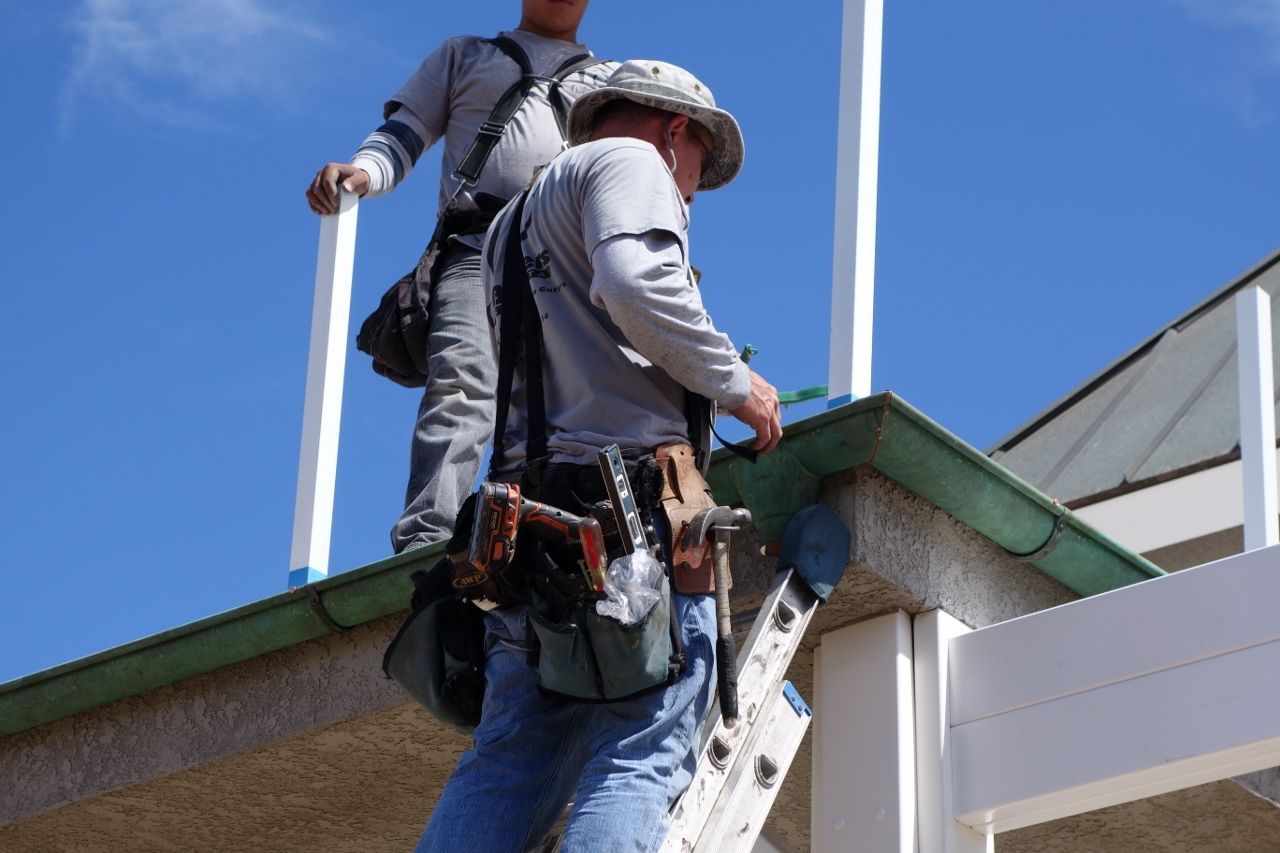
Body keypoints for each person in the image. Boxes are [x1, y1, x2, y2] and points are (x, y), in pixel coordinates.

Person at [415, 60, 782, 852]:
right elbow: (634, 281)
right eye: (693, 175)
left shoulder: (516, 218)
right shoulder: (631, 161)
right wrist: (736, 384)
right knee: (639, 752)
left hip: (526, 536)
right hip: (631, 528)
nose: (685, 196)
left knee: (507, 760)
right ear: (676, 130)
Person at [305, 0, 613, 553]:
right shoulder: (466, 55)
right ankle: (427, 543)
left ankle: (546, 542)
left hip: (569, 268)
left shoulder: (611, 83)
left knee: (571, 413)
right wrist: (364, 174)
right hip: (477, 250)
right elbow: (404, 132)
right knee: (462, 385)